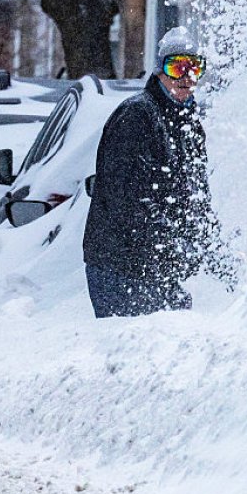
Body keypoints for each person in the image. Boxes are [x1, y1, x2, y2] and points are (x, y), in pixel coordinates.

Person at [82, 27, 220, 318]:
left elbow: (195, 191)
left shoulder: (188, 122)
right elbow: (126, 197)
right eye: (177, 66)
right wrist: (170, 245)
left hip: (160, 266)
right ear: (159, 71)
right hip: (121, 265)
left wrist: (209, 244)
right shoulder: (137, 116)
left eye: (195, 68)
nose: (186, 77)